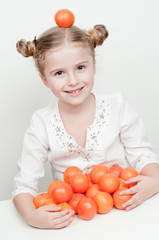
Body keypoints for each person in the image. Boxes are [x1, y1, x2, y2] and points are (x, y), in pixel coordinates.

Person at [13, 18, 159, 229]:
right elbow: (23, 185)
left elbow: (142, 154)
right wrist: (31, 216)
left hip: (125, 212)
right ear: (45, 79)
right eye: (59, 73)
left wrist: (154, 180)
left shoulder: (117, 106)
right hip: (76, 221)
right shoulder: (41, 122)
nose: (73, 80)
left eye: (80, 67)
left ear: (94, 65)